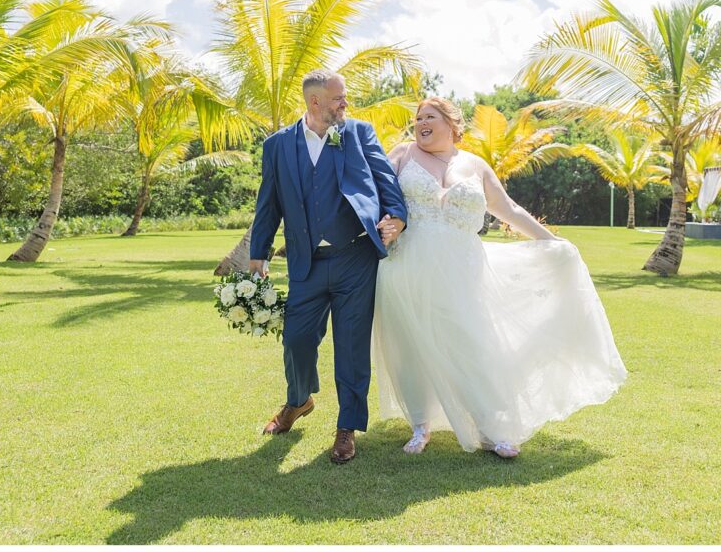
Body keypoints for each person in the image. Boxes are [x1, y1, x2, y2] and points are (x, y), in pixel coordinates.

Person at [373, 98, 627, 458]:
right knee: (410, 347)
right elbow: (375, 195)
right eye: (417, 119)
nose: (420, 124)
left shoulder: (476, 165)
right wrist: (386, 224)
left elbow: (509, 210)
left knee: (470, 342)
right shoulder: (402, 154)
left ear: (452, 124)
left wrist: (551, 241)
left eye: (429, 117)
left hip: (462, 270)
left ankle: (492, 428)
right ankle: (420, 426)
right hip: (407, 266)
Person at [249, 69, 407, 464]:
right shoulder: (277, 146)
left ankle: (346, 427)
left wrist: (397, 217)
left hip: (355, 257)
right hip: (306, 261)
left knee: (351, 347)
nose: (345, 104)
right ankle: (298, 401)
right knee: (297, 341)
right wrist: (258, 254)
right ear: (315, 102)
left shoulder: (358, 132)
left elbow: (385, 180)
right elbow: (267, 203)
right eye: (338, 98)